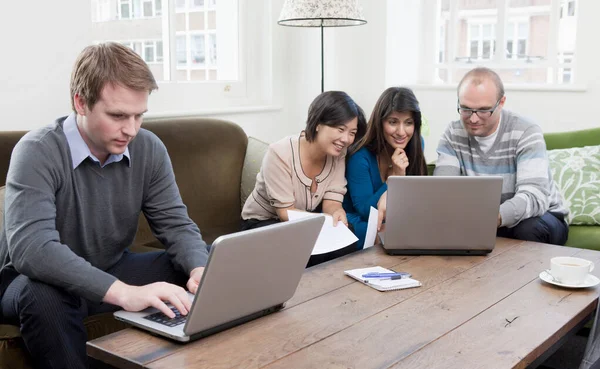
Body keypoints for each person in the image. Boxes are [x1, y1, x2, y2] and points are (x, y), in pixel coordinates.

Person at [0, 42, 209, 368]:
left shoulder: (149, 148)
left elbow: (176, 224)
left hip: (109, 265)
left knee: (201, 265)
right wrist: (123, 292)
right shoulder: (38, 150)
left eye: (139, 115)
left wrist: (199, 267)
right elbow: (32, 250)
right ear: (80, 103)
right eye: (118, 116)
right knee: (43, 296)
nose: (131, 129)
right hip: (30, 281)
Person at [434, 67, 569, 245]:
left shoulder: (526, 131)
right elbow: (444, 188)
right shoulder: (453, 133)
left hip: (542, 216)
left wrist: (492, 217)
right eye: (466, 109)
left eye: (483, 110)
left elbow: (534, 196)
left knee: (528, 228)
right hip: (482, 218)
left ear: (502, 102)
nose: (473, 119)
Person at [241, 91, 366, 264]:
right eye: (340, 129)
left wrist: (337, 214)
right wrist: (324, 221)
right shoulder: (279, 153)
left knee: (347, 235)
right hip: (264, 223)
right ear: (318, 124)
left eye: (352, 132)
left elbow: (332, 200)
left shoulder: (338, 154)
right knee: (299, 250)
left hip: (305, 222)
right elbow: (285, 213)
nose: (346, 139)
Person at [343, 87, 428, 248]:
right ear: (380, 122)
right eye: (393, 122)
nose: (401, 132)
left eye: (408, 123)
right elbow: (365, 211)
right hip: (358, 222)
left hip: (393, 219)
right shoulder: (360, 155)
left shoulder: (416, 145)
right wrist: (394, 178)